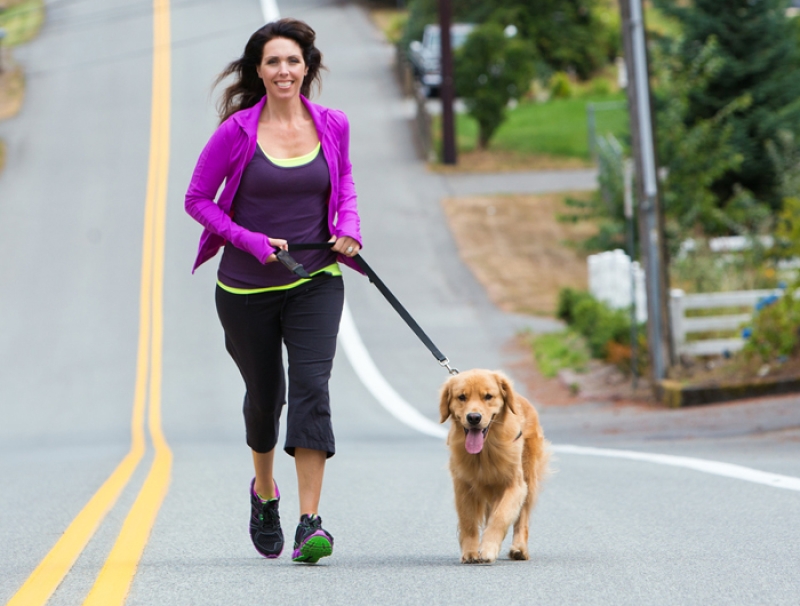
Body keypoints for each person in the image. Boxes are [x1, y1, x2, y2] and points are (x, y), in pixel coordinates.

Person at [184, 18, 362, 564]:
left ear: (306, 67)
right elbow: (198, 200)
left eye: (291, 61)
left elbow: (346, 180)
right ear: (258, 71)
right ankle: (265, 493)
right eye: (272, 62)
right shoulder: (236, 132)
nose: (283, 70)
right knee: (267, 400)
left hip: (316, 278)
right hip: (245, 288)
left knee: (312, 389)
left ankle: (311, 522)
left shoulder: (333, 124)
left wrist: (349, 226)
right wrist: (251, 240)